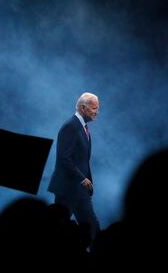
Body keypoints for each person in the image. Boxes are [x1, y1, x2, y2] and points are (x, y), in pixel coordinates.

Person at [48, 92, 101, 244]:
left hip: (79, 191)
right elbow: (64, 158)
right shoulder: (71, 126)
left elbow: (82, 160)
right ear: (83, 108)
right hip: (68, 189)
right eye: (95, 108)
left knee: (92, 229)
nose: (97, 112)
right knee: (58, 231)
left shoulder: (81, 127)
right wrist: (83, 179)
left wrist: (87, 182)